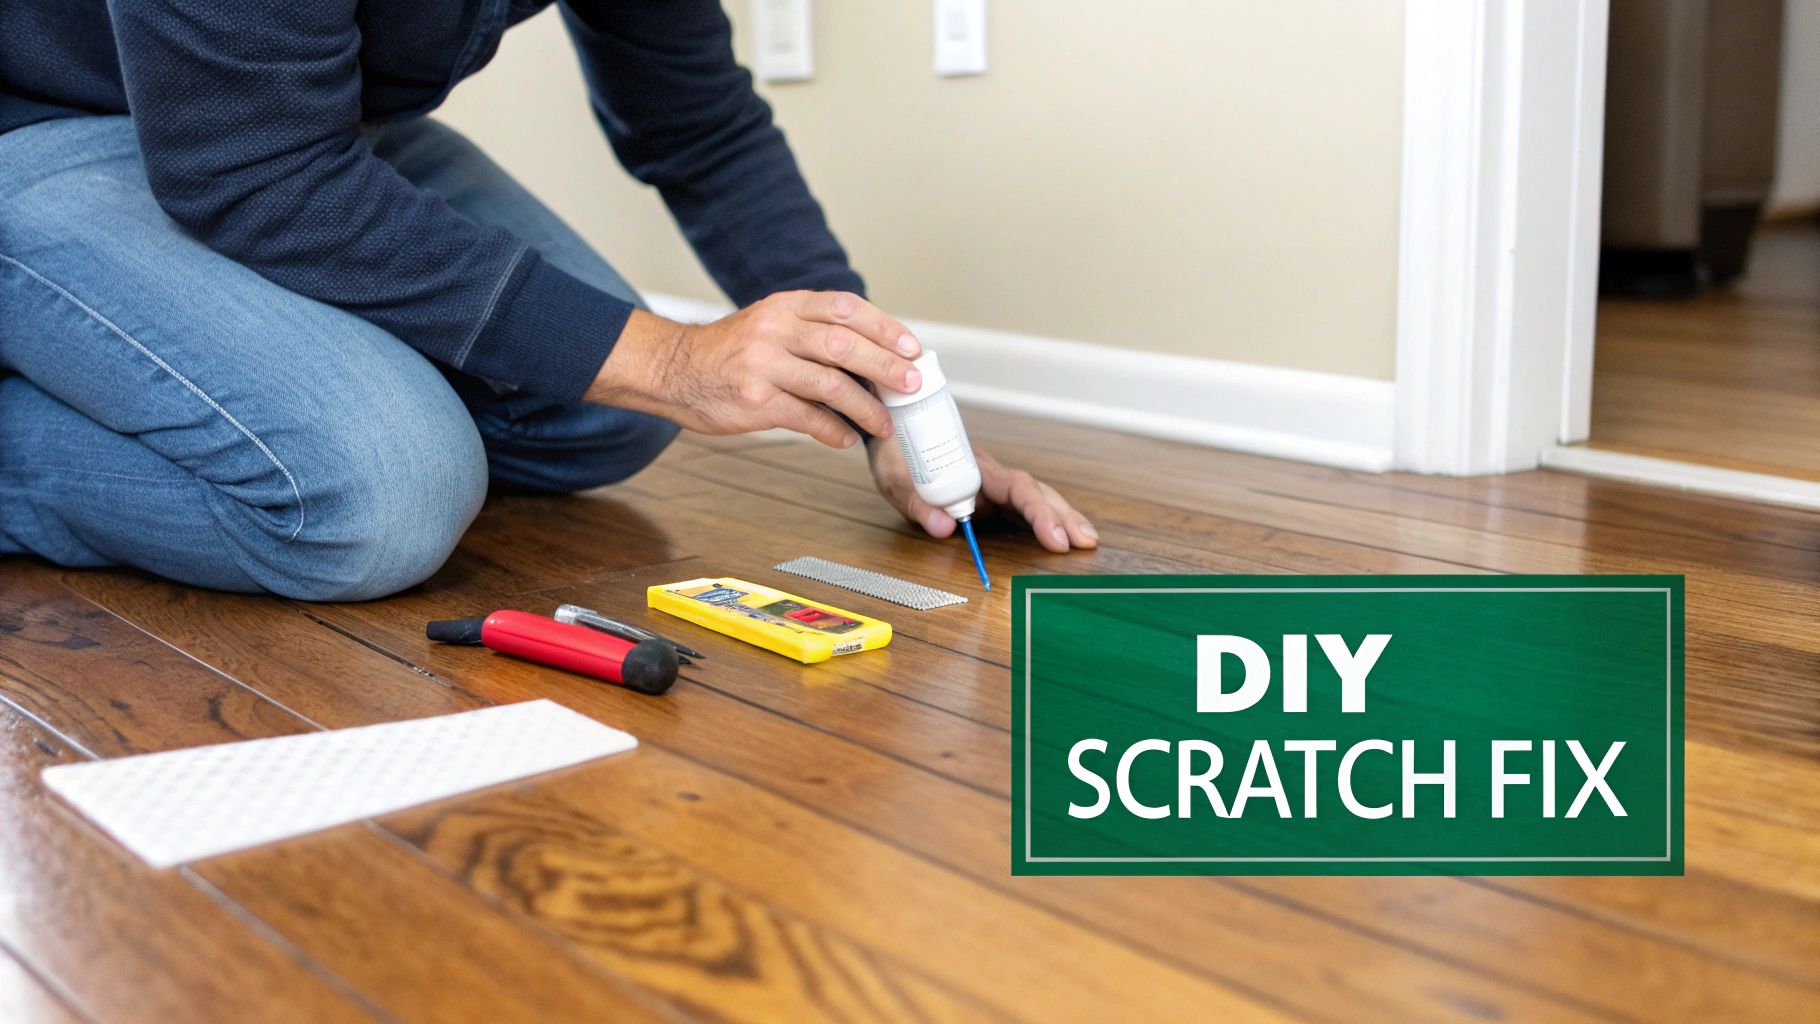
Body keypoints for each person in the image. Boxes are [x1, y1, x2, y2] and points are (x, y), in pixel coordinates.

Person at [0, 0, 1097, 601]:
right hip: (56, 134)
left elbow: (697, 126)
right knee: (376, 497)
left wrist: (888, 408)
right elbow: (250, 172)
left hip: (303, 135)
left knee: (601, 406)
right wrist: (673, 358)